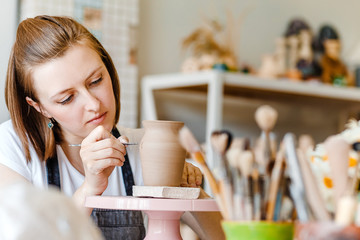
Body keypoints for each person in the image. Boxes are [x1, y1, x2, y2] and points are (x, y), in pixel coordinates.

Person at [0, 15, 224, 239]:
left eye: (96, 81)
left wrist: (188, 191)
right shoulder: (13, 148)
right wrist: (89, 188)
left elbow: (224, 236)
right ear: (39, 107)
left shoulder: (142, 147)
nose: (93, 104)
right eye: (67, 98)